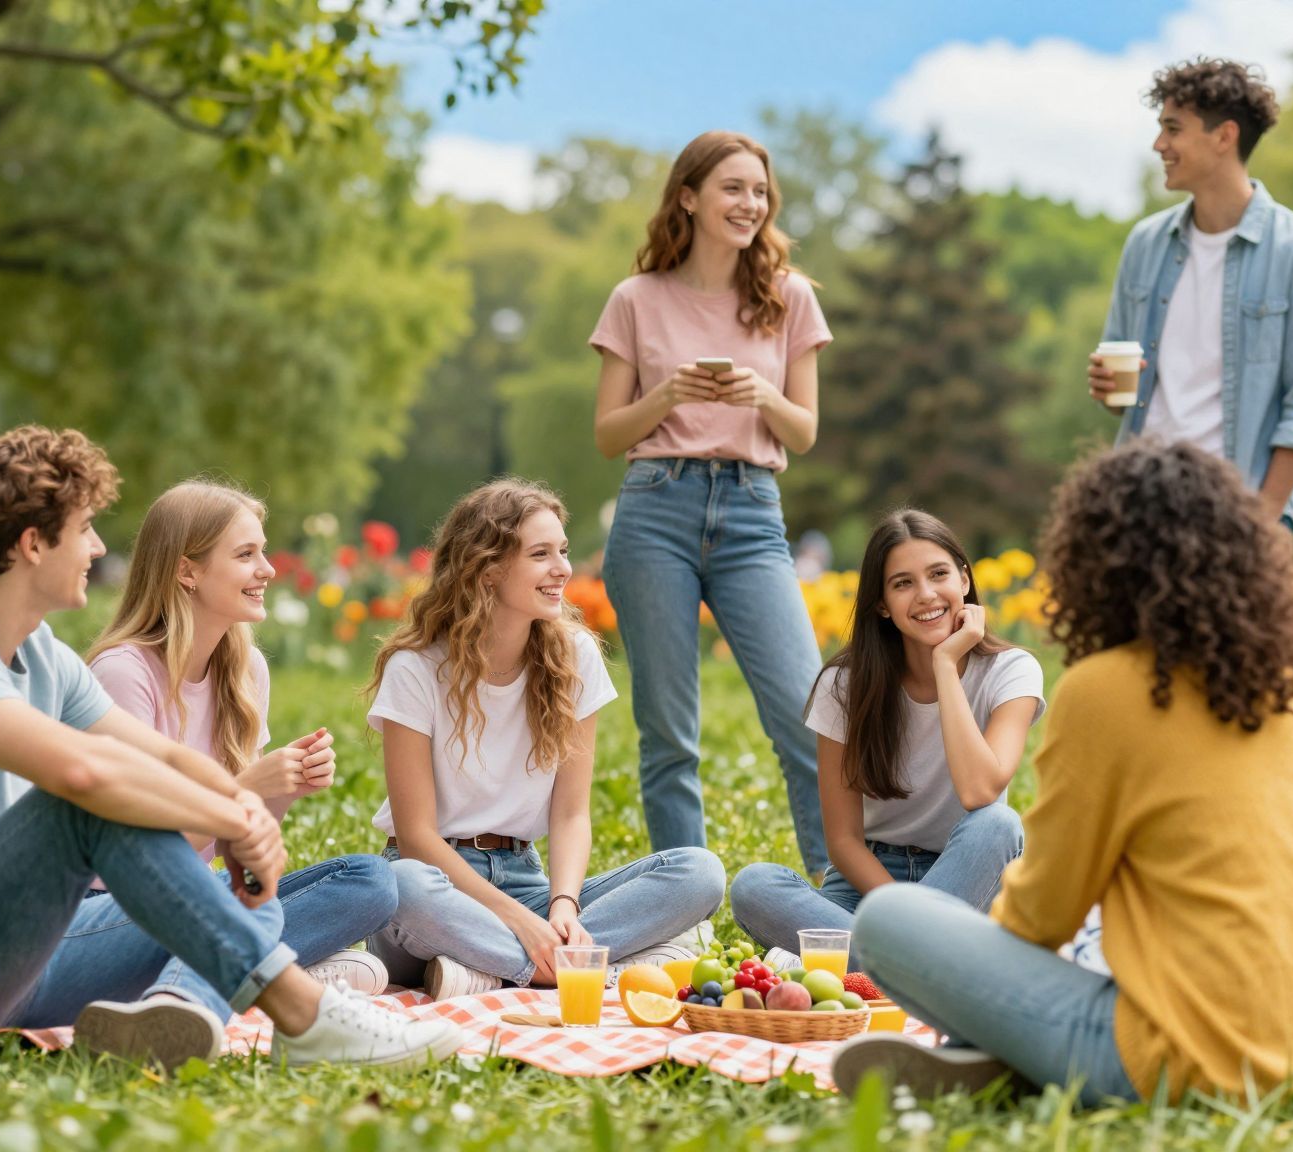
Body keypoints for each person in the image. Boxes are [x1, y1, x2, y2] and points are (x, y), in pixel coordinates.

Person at [0, 427, 462, 1071]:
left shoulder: (44, 657)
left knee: (280, 886)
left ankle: (210, 999)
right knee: (90, 803)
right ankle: (303, 1013)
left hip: (17, 966)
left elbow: (164, 758)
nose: (96, 547)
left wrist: (241, 801)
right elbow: (82, 773)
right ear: (34, 544)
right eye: (86, 527)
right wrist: (232, 816)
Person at [833, 441, 1293, 1106]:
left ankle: (1004, 1055)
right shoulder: (1282, 690)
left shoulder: (1104, 690)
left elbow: (1039, 915)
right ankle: (999, 1060)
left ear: (1095, 559)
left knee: (888, 920)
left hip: (1198, 1062)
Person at [365, 480, 726, 999]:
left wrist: (561, 907)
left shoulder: (575, 657)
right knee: (397, 886)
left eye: (562, 550)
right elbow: (417, 839)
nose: (563, 569)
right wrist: (521, 924)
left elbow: (571, 815)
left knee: (699, 871)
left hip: (524, 877)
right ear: (487, 569)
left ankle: (488, 972)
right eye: (540, 554)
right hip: (436, 883)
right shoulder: (416, 669)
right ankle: (569, 966)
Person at [590, 129, 832, 875]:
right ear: (688, 198)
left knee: (808, 718)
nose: (750, 204)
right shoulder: (637, 299)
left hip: (753, 514)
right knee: (669, 734)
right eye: (733, 188)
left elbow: (806, 431)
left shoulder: (788, 297)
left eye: (760, 191)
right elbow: (606, 434)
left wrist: (762, 394)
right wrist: (667, 394)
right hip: (655, 509)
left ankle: (844, 895)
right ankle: (681, 904)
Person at [87, 479, 397, 1000]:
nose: (269, 570)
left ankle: (246, 971)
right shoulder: (123, 674)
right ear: (187, 570)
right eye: (246, 554)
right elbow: (134, 861)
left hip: (208, 900)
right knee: (237, 903)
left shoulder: (246, 669)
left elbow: (240, 856)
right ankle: (269, 975)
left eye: (264, 551)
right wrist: (244, 790)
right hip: (113, 910)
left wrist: (280, 791)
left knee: (372, 882)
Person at [729, 510, 1038, 964]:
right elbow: (843, 840)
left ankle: (871, 964)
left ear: (965, 580)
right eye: (903, 583)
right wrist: (898, 915)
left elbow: (980, 791)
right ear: (881, 604)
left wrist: (946, 667)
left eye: (938, 574)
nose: (927, 595)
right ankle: (921, 963)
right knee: (753, 886)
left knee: (999, 823)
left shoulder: (1011, 670)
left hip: (966, 874)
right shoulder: (844, 684)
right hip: (868, 884)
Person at [1087, 57, 1293, 531]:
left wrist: (1259, 529)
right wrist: (1108, 389)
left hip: (1240, 514)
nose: (1158, 144)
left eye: (1173, 129)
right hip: (1138, 508)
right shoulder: (1145, 243)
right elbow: (1124, 397)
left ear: (1224, 136)